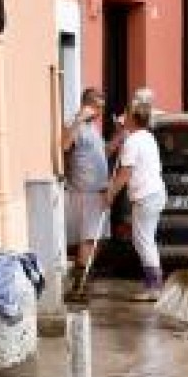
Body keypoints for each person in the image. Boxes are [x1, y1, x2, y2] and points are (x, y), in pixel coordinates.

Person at [104, 103, 167, 301]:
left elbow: (125, 173)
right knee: (146, 240)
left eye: (127, 115)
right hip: (155, 192)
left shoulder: (133, 141)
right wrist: (123, 133)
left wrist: (110, 193)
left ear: (132, 119)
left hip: (145, 196)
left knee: (144, 241)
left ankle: (154, 288)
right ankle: (153, 285)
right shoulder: (147, 137)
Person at [61, 87, 111, 296]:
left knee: (97, 240)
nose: (100, 112)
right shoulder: (76, 125)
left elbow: (103, 152)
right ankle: (78, 287)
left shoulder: (94, 129)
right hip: (85, 193)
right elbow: (64, 145)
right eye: (97, 107)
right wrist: (79, 120)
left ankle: (82, 279)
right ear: (87, 105)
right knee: (88, 239)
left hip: (99, 192)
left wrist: (120, 136)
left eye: (102, 108)